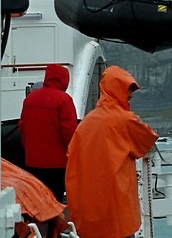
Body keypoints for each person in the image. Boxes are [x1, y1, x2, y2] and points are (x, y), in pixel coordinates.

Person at [65, 65, 158, 238]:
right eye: (128, 95)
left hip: (88, 207)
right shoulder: (123, 120)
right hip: (116, 209)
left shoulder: (87, 122)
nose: (129, 98)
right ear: (119, 91)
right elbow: (147, 140)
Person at [18, 63, 78, 202]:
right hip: (57, 162)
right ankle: (53, 224)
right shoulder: (64, 100)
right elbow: (69, 132)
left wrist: (29, 148)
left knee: (38, 199)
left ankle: (38, 223)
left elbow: (22, 127)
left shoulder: (30, 98)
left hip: (33, 161)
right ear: (64, 80)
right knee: (54, 200)